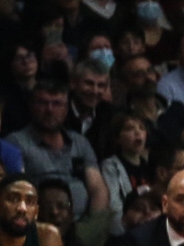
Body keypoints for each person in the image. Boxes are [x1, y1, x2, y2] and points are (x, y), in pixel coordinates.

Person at [10, 78, 111, 219]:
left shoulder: (80, 142)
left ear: (66, 109)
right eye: (43, 103)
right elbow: (19, 191)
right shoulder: (16, 142)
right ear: (31, 106)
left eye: (57, 103)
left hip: (81, 224)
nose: (49, 110)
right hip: (39, 222)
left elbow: (97, 188)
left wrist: (93, 226)